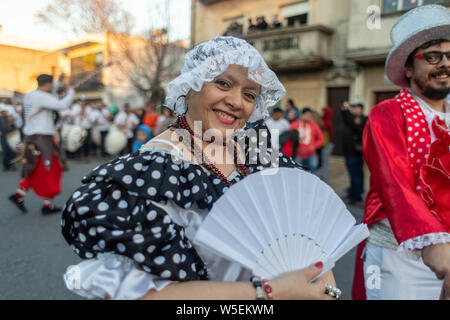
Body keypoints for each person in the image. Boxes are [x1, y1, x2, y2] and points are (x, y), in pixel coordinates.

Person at [61, 36, 338, 300]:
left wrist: (324, 282)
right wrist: (269, 292)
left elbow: (309, 241)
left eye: (250, 94)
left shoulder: (258, 155)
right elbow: (131, 292)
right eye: (223, 83)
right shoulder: (153, 171)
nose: (236, 101)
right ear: (191, 84)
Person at [352, 5, 450, 300]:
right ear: (408, 68)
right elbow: (394, 182)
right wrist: (433, 243)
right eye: (432, 56)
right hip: (400, 258)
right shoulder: (388, 114)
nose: (444, 63)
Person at [8, 74, 75, 214]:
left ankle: (19, 195)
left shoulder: (31, 95)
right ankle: (47, 205)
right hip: (43, 139)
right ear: (48, 84)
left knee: (35, 168)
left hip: (32, 137)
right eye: (52, 84)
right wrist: (71, 92)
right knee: (52, 168)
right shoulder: (42, 97)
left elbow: (50, 93)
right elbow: (61, 105)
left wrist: (59, 82)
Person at [340, 102, 367, 204]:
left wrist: (347, 111)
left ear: (361, 109)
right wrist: (343, 110)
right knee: (354, 175)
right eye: (354, 108)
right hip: (349, 153)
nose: (355, 110)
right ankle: (356, 194)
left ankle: (354, 197)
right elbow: (346, 120)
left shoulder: (363, 119)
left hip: (355, 153)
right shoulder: (353, 118)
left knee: (355, 175)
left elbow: (353, 124)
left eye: (357, 108)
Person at [284, 107, 324, 174]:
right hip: (298, 156)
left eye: (310, 116)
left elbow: (321, 139)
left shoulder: (314, 125)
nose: (309, 117)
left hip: (311, 155)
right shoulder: (294, 125)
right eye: (308, 115)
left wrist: (315, 146)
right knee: (298, 174)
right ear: (302, 115)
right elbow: (288, 140)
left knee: (313, 173)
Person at [319, 106, 334, 182]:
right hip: (326, 144)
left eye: (323, 111)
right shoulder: (324, 121)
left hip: (327, 145)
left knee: (325, 163)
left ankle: (324, 180)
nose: (321, 113)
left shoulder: (326, 122)